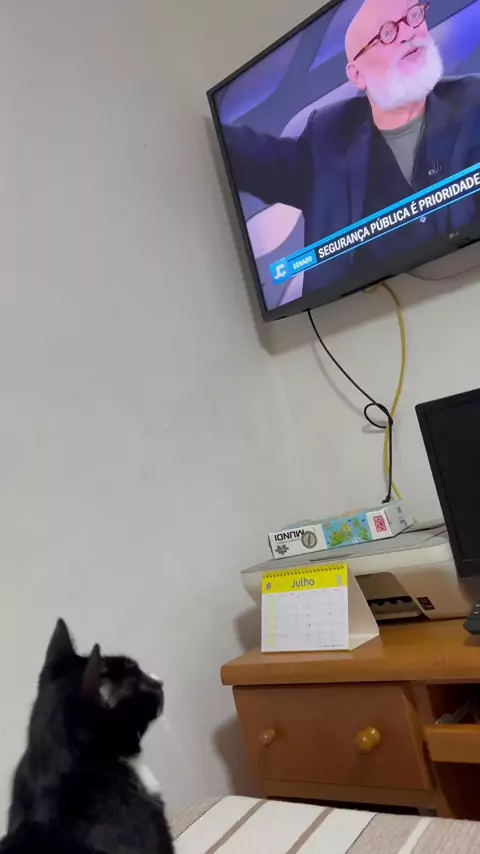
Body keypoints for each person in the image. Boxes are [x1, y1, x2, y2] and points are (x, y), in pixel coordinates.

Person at [223, 0, 480, 295]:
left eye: (412, 16)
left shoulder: (474, 100)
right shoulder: (327, 138)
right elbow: (254, 158)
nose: (408, 33)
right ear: (357, 74)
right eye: (386, 33)